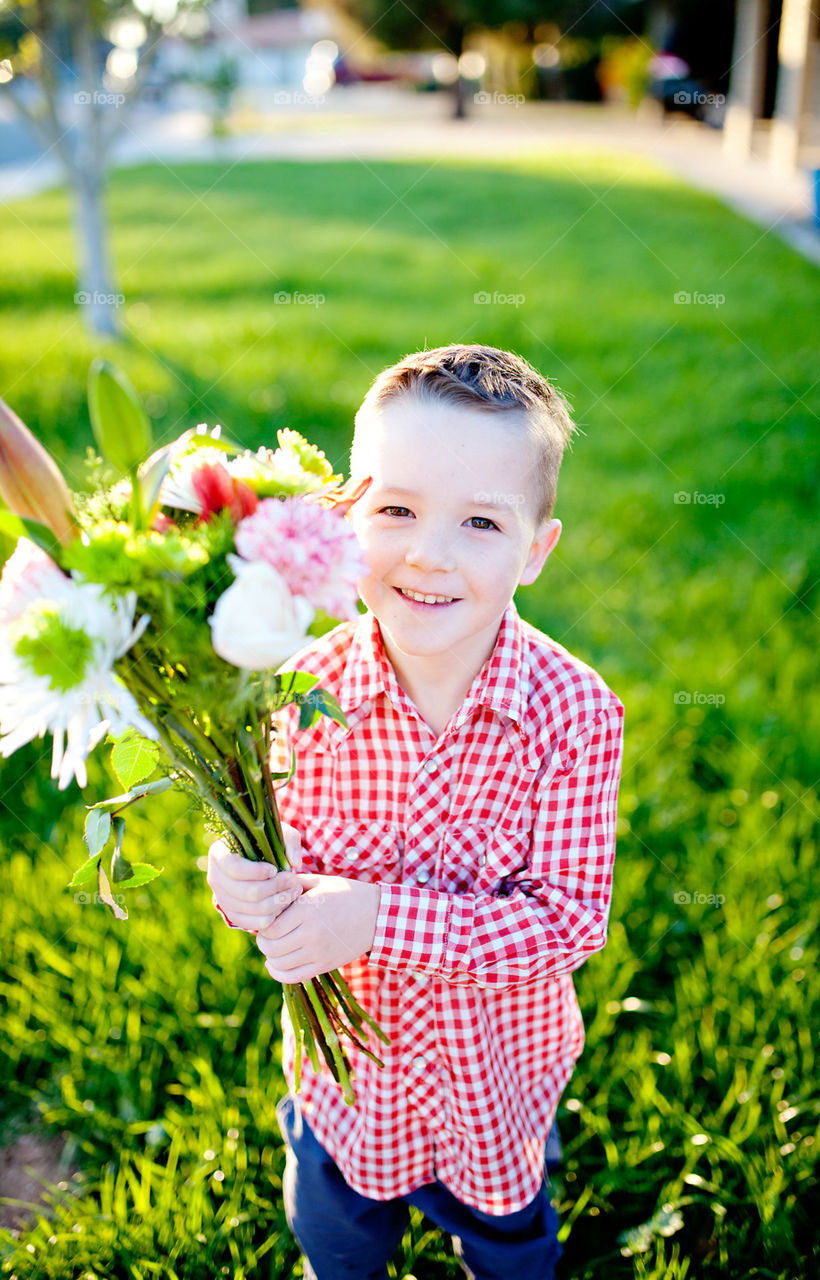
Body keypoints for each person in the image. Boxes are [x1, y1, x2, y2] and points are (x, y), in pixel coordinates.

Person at [207, 343, 625, 1280]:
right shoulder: (293, 692)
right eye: (396, 509)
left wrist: (376, 918)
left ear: (536, 550)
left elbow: (565, 923)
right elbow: (277, 876)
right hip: (349, 1089)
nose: (428, 554)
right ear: (344, 512)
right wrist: (236, 882)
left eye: (481, 521)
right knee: (338, 1241)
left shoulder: (573, 712)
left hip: (497, 1087)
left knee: (509, 1249)